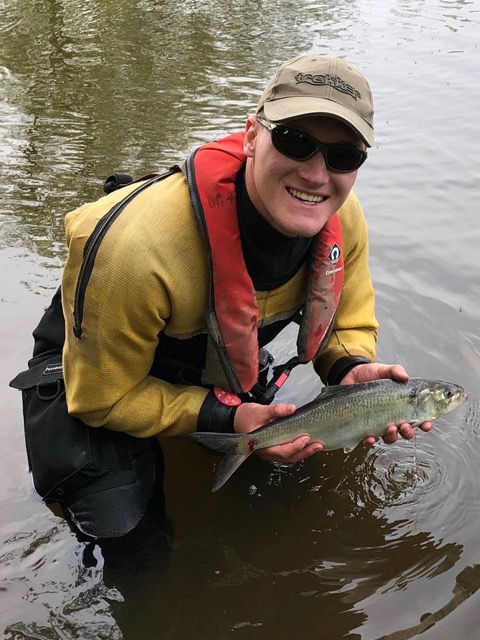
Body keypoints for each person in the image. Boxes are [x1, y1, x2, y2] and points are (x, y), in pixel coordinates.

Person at [10, 54, 432, 546]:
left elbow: (345, 321)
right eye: (296, 142)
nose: (318, 176)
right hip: (89, 377)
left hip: (210, 363)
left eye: (343, 157)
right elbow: (102, 397)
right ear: (252, 136)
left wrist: (349, 370)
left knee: (277, 504)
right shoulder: (137, 252)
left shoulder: (343, 219)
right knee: (127, 536)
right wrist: (223, 417)